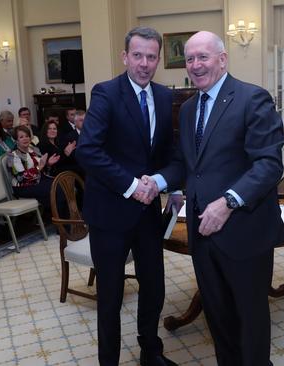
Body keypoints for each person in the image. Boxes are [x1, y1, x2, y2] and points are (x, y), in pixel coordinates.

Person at [147, 31, 284, 365]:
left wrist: (228, 202)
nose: (195, 65)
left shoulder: (253, 99)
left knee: (250, 316)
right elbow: (187, 164)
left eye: (203, 57)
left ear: (222, 59)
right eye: (190, 58)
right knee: (218, 315)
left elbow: (269, 165)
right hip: (202, 230)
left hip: (243, 230)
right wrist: (156, 181)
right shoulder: (189, 107)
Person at [75, 26, 175, 366]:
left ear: (158, 59)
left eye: (151, 56)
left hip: (148, 214)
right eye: (138, 55)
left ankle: (150, 352)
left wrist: (163, 184)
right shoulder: (106, 93)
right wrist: (134, 186)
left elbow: (169, 153)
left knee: (154, 288)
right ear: (125, 56)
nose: (144, 63)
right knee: (111, 298)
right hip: (110, 214)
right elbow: (88, 151)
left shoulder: (164, 96)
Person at [6, 126, 60, 209]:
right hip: (23, 187)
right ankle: (58, 217)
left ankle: (64, 217)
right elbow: (21, 177)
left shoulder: (34, 149)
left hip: (38, 181)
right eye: (21, 137)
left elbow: (42, 168)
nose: (25, 139)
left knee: (60, 182)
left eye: (27, 136)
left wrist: (48, 163)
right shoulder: (12, 155)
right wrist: (38, 168)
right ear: (16, 140)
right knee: (53, 187)